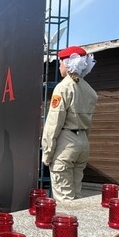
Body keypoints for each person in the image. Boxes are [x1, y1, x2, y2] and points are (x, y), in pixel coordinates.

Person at [41, 46, 98, 202]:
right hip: (83, 142)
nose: (59, 66)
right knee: (76, 194)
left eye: (60, 63)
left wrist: (47, 152)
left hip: (66, 142)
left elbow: (54, 123)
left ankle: (68, 225)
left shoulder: (63, 88)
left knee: (64, 197)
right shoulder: (90, 91)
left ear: (67, 63)